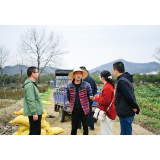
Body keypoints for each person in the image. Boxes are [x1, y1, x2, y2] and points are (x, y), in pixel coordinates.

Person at [112, 61, 140, 135]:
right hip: (126, 112)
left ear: (116, 70)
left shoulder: (122, 81)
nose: (112, 71)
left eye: (112, 70)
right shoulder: (126, 80)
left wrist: (136, 107)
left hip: (125, 113)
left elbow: (129, 96)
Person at [67, 67, 93, 135]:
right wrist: (73, 104)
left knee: (85, 127)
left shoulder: (87, 85)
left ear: (82, 75)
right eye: (77, 74)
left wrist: (86, 104)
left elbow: (90, 96)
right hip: (74, 109)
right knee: (74, 127)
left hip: (84, 109)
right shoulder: (69, 86)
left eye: (80, 74)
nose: (78, 75)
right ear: (74, 75)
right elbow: (68, 97)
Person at [94, 70, 117, 135]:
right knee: (108, 131)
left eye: (100, 77)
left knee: (106, 132)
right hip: (109, 111)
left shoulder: (107, 87)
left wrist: (96, 98)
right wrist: (99, 96)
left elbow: (105, 101)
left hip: (107, 112)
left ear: (103, 78)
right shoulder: (110, 86)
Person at [22, 66, 43, 135]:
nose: (38, 74)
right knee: (35, 132)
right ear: (32, 73)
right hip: (34, 113)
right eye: (37, 72)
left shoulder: (32, 84)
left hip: (36, 112)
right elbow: (30, 100)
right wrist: (34, 113)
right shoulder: (30, 85)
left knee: (35, 132)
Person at [78, 66, 97, 130]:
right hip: (90, 99)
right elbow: (95, 89)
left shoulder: (82, 79)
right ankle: (91, 127)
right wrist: (92, 96)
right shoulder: (92, 79)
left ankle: (79, 126)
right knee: (89, 113)